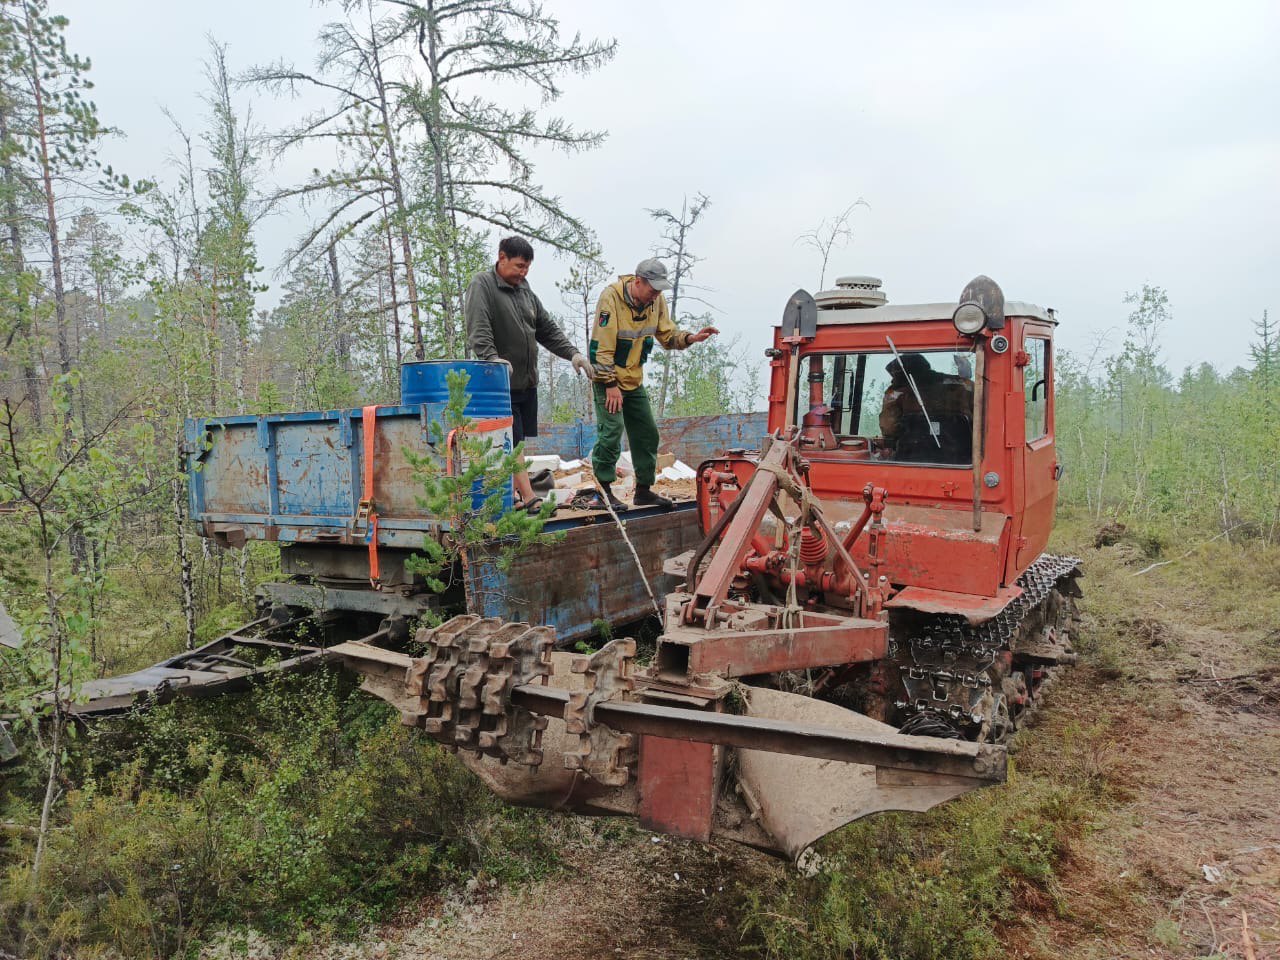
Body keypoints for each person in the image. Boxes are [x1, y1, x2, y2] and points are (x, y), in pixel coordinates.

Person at [465, 236, 592, 512]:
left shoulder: (525, 290)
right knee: (511, 443)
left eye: (527, 268)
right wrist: (492, 360)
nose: (523, 272)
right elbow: (478, 327)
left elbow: (545, 328)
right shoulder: (483, 285)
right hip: (499, 384)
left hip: (525, 382)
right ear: (502, 257)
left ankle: (510, 497)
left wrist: (573, 354)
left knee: (518, 440)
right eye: (519, 266)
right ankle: (529, 496)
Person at [589, 258, 718, 509]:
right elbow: (600, 349)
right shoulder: (611, 299)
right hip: (608, 381)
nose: (656, 295)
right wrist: (610, 385)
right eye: (652, 289)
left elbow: (668, 336)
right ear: (638, 282)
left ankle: (644, 490)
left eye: (659, 290)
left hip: (633, 381)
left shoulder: (655, 301)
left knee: (647, 433)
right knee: (611, 433)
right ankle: (603, 492)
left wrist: (691, 338)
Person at [878, 353, 974, 463]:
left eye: (894, 376)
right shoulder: (964, 386)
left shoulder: (897, 393)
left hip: (910, 459)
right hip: (962, 460)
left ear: (905, 374)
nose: (892, 381)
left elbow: (889, 427)